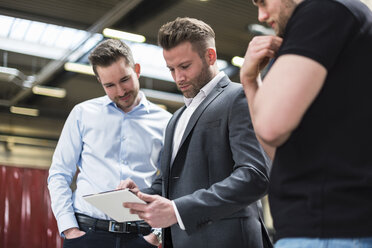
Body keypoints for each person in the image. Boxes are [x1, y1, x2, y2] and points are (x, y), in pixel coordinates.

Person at [119, 17, 272, 248]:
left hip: (229, 241)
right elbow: (170, 183)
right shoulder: (175, 119)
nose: (178, 77)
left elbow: (255, 176)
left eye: (185, 66)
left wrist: (179, 210)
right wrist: (141, 195)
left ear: (210, 56)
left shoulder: (238, 97)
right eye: (171, 69)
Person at [240, 0, 372, 247]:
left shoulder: (324, 10)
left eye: (263, 2)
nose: (261, 15)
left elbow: (270, 127)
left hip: (330, 231)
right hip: (323, 229)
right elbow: (279, 152)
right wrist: (250, 82)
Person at [47, 38, 172, 248]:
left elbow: (173, 181)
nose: (121, 91)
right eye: (110, 85)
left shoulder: (166, 122)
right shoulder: (82, 114)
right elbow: (59, 174)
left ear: (137, 70)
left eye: (125, 80)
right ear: (100, 82)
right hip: (86, 234)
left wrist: (158, 235)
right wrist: (69, 228)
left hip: (141, 238)